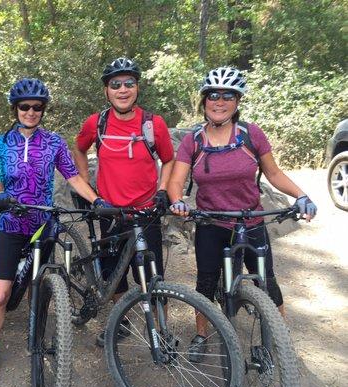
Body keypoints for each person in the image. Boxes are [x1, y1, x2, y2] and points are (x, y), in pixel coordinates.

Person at [167, 66, 317, 362]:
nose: (219, 101)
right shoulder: (193, 140)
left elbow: (273, 173)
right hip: (211, 221)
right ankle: (201, 334)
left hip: (250, 221)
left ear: (237, 101)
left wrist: (302, 195)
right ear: (204, 100)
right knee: (206, 283)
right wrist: (178, 200)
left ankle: (281, 338)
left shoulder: (251, 134)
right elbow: (175, 181)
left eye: (227, 95)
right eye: (213, 95)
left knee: (267, 280)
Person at [0, 78, 104, 383]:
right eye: (25, 107)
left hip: (43, 222)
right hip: (11, 222)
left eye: (37, 107)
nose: (31, 112)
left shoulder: (55, 142)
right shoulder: (1, 142)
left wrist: (97, 200)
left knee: (39, 285)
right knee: (1, 294)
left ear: (43, 110)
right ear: (16, 109)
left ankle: (40, 331)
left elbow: (73, 178)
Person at [72, 57, 174, 347]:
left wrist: (163, 190)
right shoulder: (97, 123)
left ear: (137, 87)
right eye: (115, 84)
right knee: (113, 272)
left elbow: (169, 160)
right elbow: (78, 149)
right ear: (107, 91)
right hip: (110, 211)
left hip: (146, 211)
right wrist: (85, 185)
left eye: (129, 83)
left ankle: (163, 332)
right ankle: (122, 322)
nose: (123, 89)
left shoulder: (153, 124)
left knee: (154, 275)